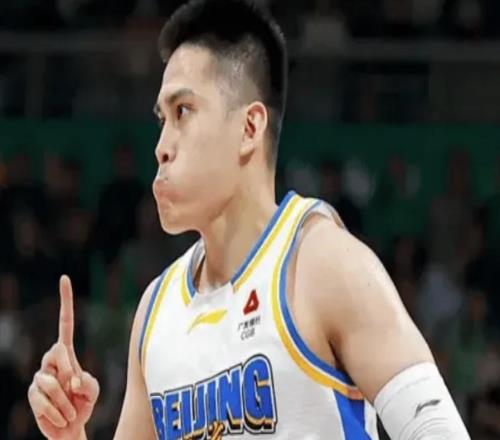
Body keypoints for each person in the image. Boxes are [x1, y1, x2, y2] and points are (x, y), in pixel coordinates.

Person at [27, 0, 470, 439]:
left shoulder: (322, 264)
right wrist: (71, 436)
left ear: (249, 128)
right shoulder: (154, 312)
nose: (161, 146)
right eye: (162, 120)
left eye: (183, 112)